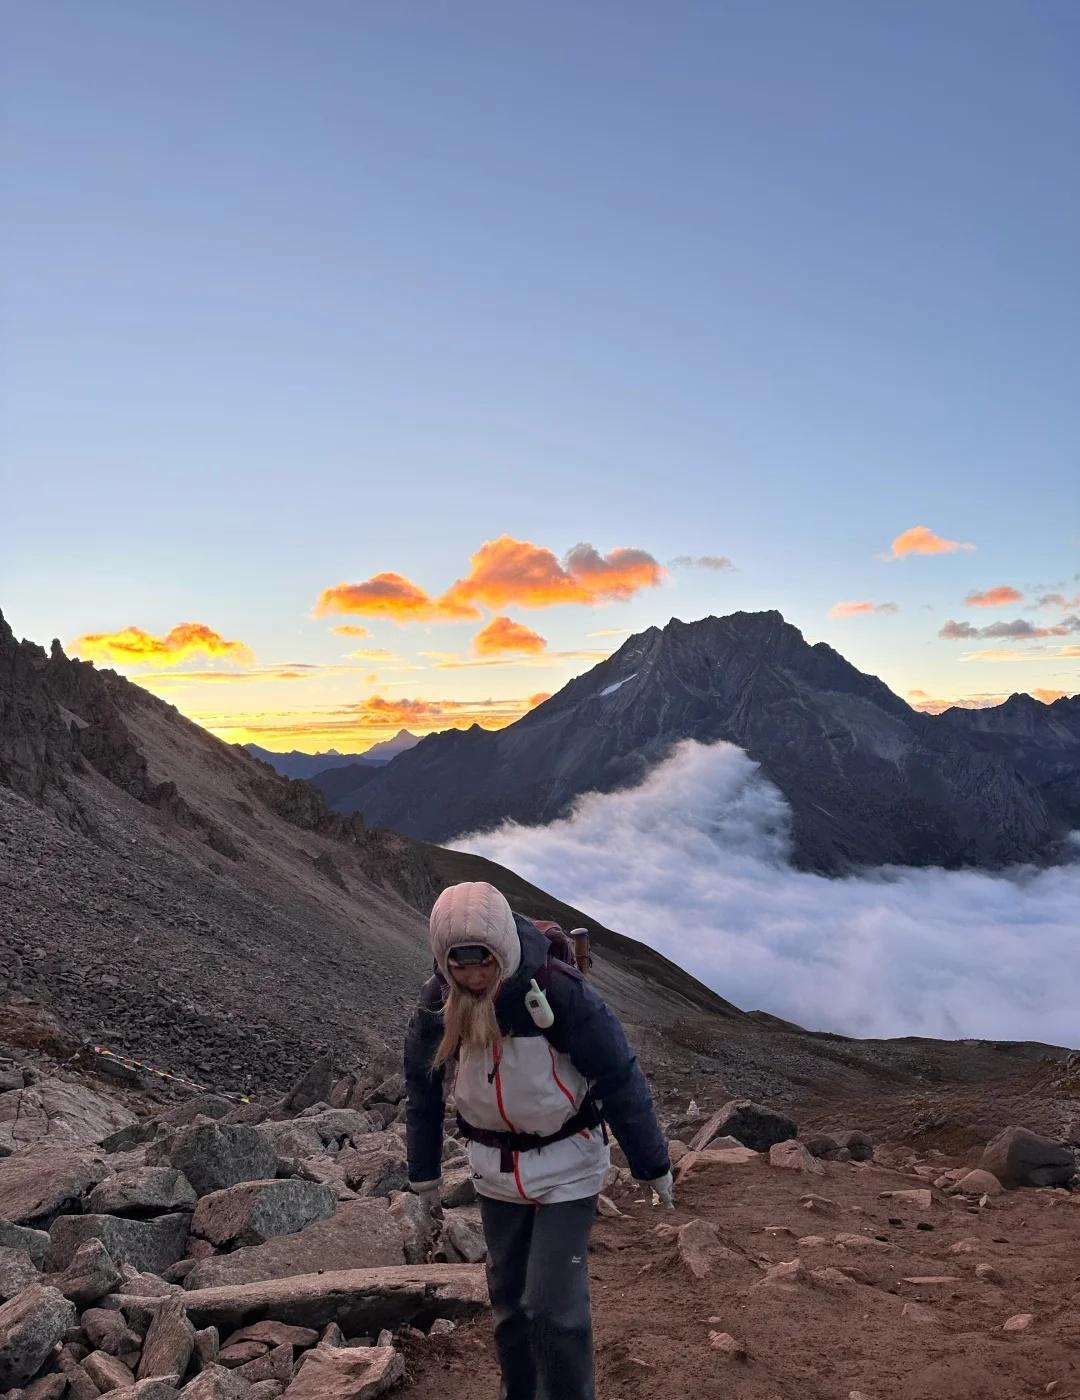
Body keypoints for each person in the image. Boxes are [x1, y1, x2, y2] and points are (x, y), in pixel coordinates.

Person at [404, 880, 673, 1400]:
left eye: (484, 962)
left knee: (554, 1307)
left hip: (568, 1167)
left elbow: (618, 1074)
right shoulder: (439, 999)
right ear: (443, 959)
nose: (476, 977)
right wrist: (425, 1175)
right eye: (460, 965)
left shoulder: (554, 990)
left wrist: (652, 1164)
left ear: (501, 947)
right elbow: (422, 1083)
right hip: (495, 1173)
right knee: (508, 1305)